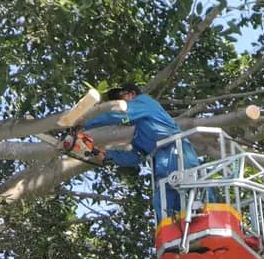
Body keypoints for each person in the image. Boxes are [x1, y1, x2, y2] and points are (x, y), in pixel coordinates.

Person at [82, 83, 202, 222]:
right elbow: (135, 156)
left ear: (132, 94)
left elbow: (121, 114)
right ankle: (173, 239)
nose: (120, 104)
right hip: (163, 167)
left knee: (198, 194)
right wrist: (105, 154)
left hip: (178, 154)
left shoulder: (145, 102)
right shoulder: (141, 131)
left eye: (120, 99)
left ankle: (213, 220)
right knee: (162, 205)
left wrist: (85, 123)